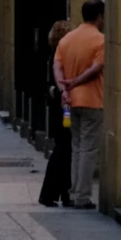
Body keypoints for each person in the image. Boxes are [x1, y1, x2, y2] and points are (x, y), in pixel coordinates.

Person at [55, 0, 106, 209]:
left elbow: (57, 66)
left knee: (76, 146)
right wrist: (76, 82)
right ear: (100, 17)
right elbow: (97, 68)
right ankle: (83, 196)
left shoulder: (67, 40)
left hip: (70, 101)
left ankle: (74, 191)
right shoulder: (100, 40)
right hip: (92, 100)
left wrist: (63, 88)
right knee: (88, 149)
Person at [38, 17, 74, 207]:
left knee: (64, 150)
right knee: (64, 150)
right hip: (64, 110)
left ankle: (61, 193)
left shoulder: (53, 55)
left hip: (57, 110)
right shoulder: (59, 57)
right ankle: (52, 193)